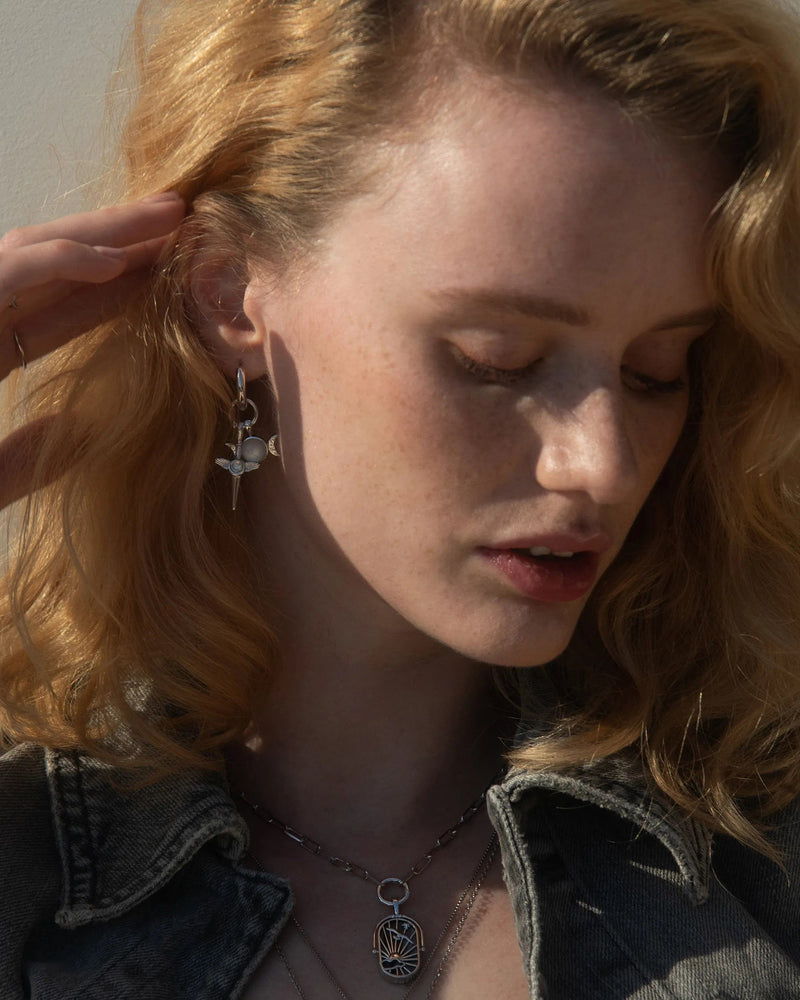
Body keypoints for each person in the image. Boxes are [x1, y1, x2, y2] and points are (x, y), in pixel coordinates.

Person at [2, 0, 800, 996]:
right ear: (228, 296)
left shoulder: (751, 846)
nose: (600, 463)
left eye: (656, 370)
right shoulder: (27, 860)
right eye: (494, 358)